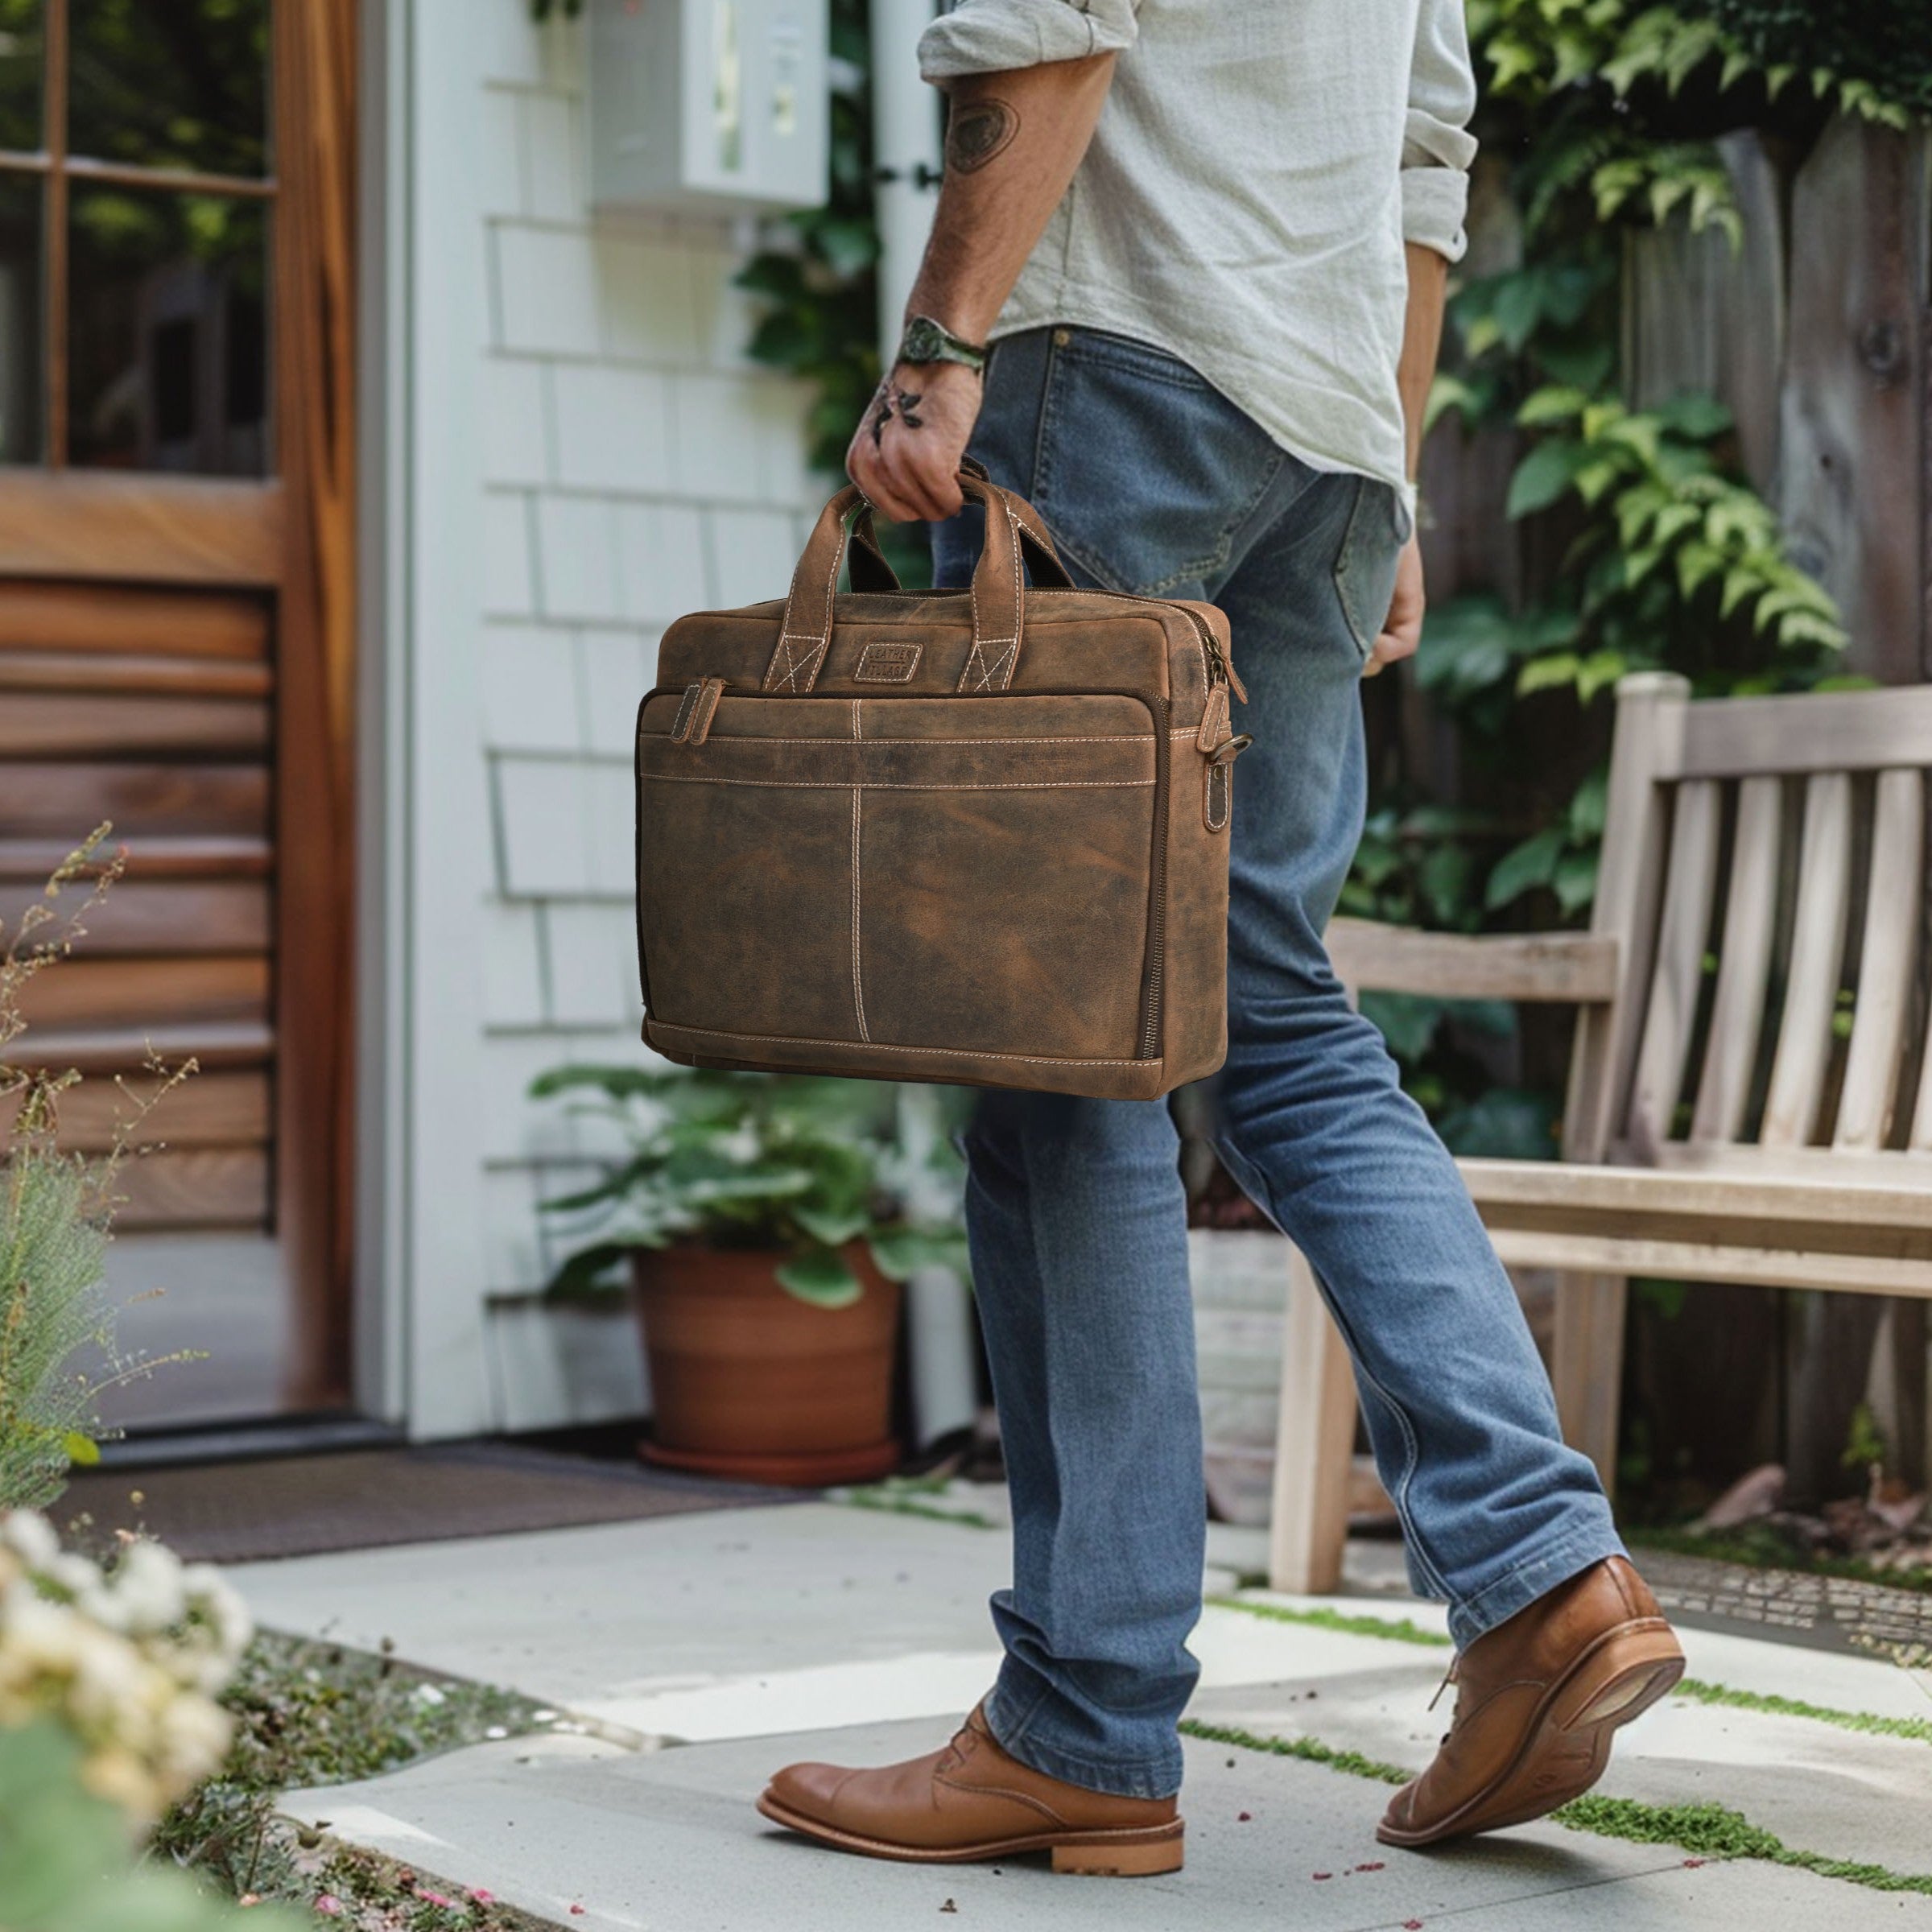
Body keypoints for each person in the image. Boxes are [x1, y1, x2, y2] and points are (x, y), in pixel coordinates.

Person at [756, 0, 1685, 1877]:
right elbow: (1427, 152)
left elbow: (1049, 30)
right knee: (1278, 1018)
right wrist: (1394, 467)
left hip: (1114, 383)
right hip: (1325, 431)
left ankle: (1085, 1725)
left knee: (1060, 1040)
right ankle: (1542, 1578)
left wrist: (938, 350)